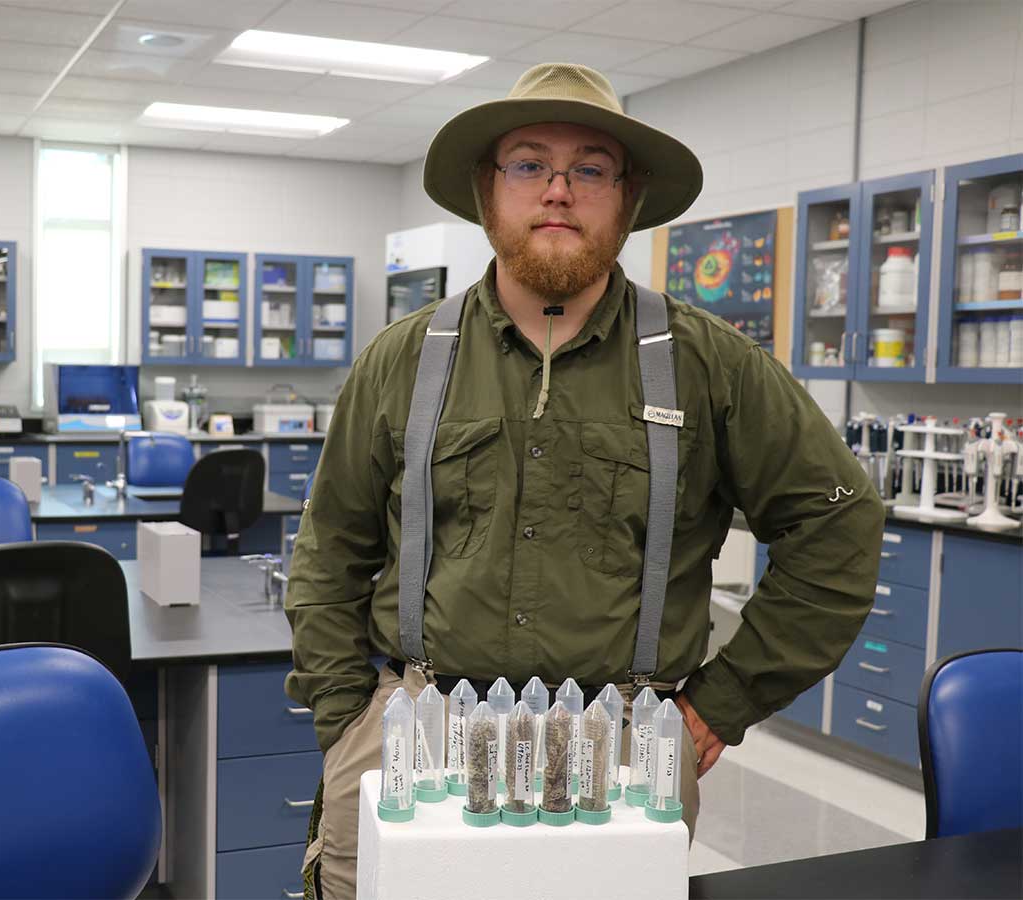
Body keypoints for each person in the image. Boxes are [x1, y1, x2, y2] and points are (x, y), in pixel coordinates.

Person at [285, 62, 883, 900]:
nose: (558, 191)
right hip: (416, 733)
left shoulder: (710, 366)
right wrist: (349, 714)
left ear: (628, 198)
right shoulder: (404, 360)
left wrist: (719, 704)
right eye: (528, 164)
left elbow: (840, 525)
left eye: (590, 169)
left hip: (624, 742)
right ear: (487, 191)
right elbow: (329, 549)